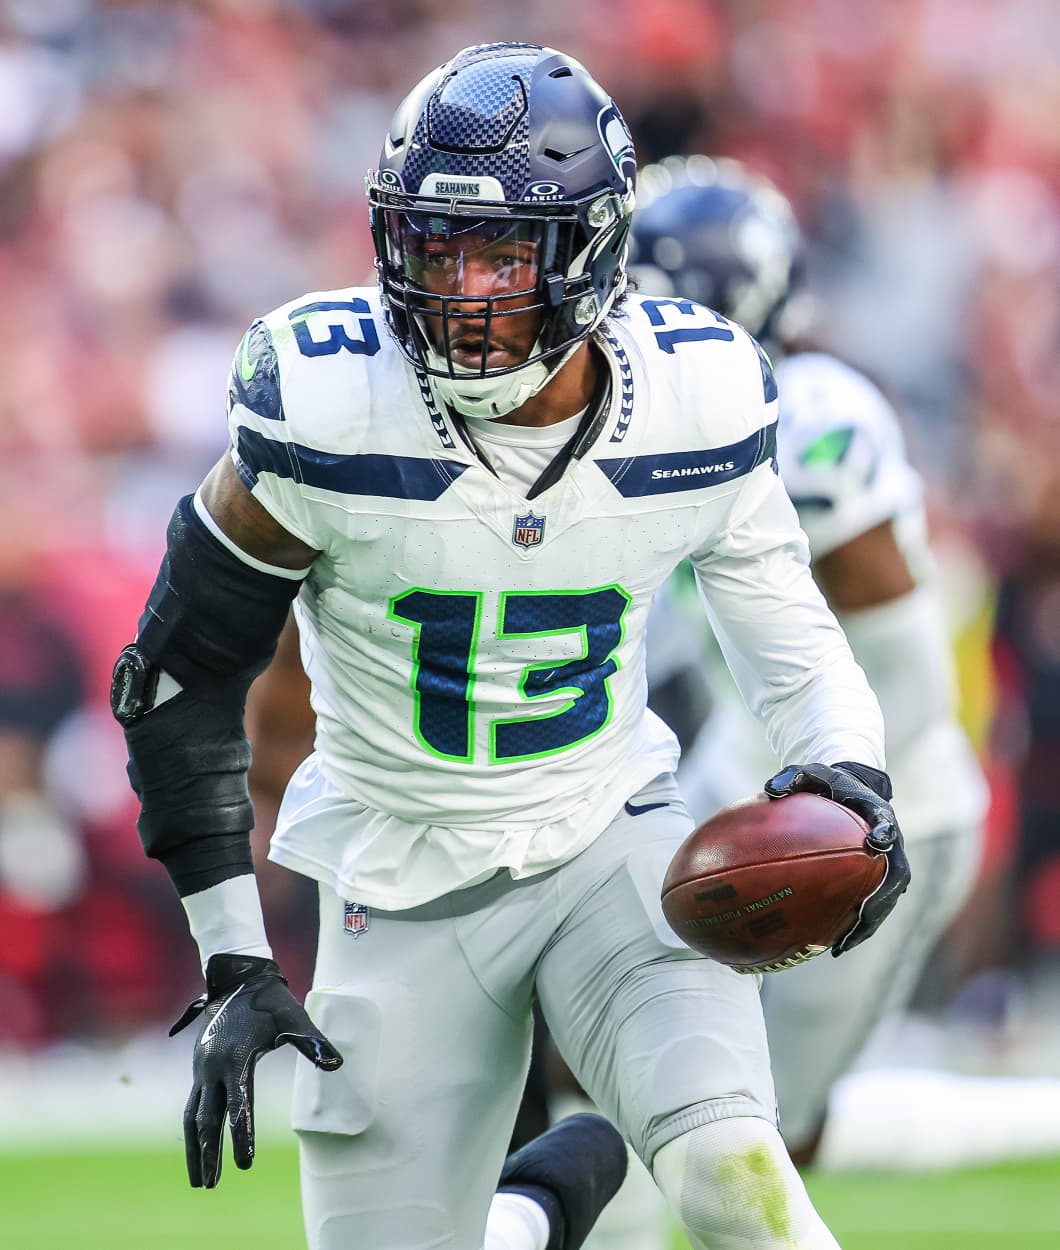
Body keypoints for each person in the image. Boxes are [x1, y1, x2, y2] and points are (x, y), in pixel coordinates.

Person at [111, 43, 909, 1250]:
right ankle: (541, 1205)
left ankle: (552, 1195)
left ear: (587, 252)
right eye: (437, 248)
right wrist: (230, 951)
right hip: (395, 880)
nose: (465, 292)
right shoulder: (325, 407)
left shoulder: (701, 397)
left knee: (736, 1184)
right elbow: (179, 673)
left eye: (500, 253)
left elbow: (789, 635)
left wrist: (850, 769)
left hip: (610, 843)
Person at [629, 154, 988, 1166]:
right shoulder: (639, 433)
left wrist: (819, 809)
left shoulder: (812, 412)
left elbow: (897, 684)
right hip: (743, 768)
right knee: (612, 1034)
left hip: (854, 797)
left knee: (764, 1130)